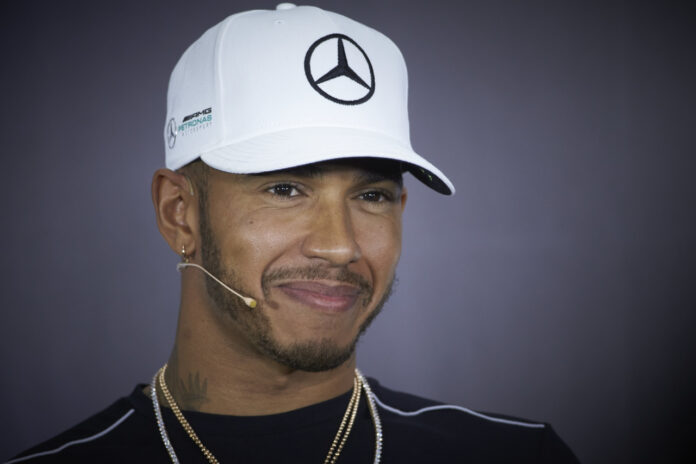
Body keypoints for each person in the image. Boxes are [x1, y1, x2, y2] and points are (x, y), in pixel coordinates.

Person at [7, 4, 579, 463]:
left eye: (372, 196)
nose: (340, 245)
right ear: (179, 213)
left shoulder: (514, 455)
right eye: (285, 189)